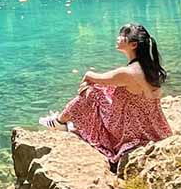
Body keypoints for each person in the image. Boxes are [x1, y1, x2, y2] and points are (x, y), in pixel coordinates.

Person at [39, 23, 172, 172]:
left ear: (133, 44)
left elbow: (91, 76)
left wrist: (86, 85)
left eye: (122, 36)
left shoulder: (127, 73)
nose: (118, 38)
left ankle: (60, 121)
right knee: (104, 88)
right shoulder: (150, 68)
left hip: (130, 130)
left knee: (91, 91)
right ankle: (66, 122)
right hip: (152, 127)